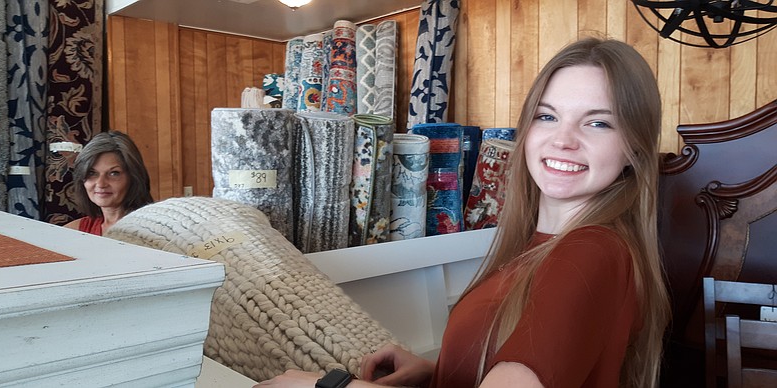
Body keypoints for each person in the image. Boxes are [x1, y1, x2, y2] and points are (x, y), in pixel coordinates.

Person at [254, 37, 670, 388]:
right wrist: (441, 373)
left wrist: (324, 385)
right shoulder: (540, 246)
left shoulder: (589, 251)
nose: (563, 140)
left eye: (597, 123)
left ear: (634, 146)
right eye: (547, 116)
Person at [64, 130, 153, 236]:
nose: (101, 184)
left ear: (133, 178)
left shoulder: (156, 232)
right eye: (92, 173)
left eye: (114, 173)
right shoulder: (72, 231)